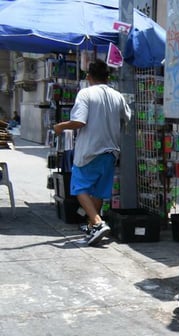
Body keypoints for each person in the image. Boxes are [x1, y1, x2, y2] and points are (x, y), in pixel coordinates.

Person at [54, 59, 131, 246]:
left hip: (90, 150)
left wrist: (61, 126)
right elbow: (126, 117)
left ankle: (97, 222)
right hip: (111, 151)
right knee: (98, 192)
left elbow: (79, 122)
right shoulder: (117, 96)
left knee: (79, 187)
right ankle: (92, 230)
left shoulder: (86, 93)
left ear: (88, 77)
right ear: (108, 77)